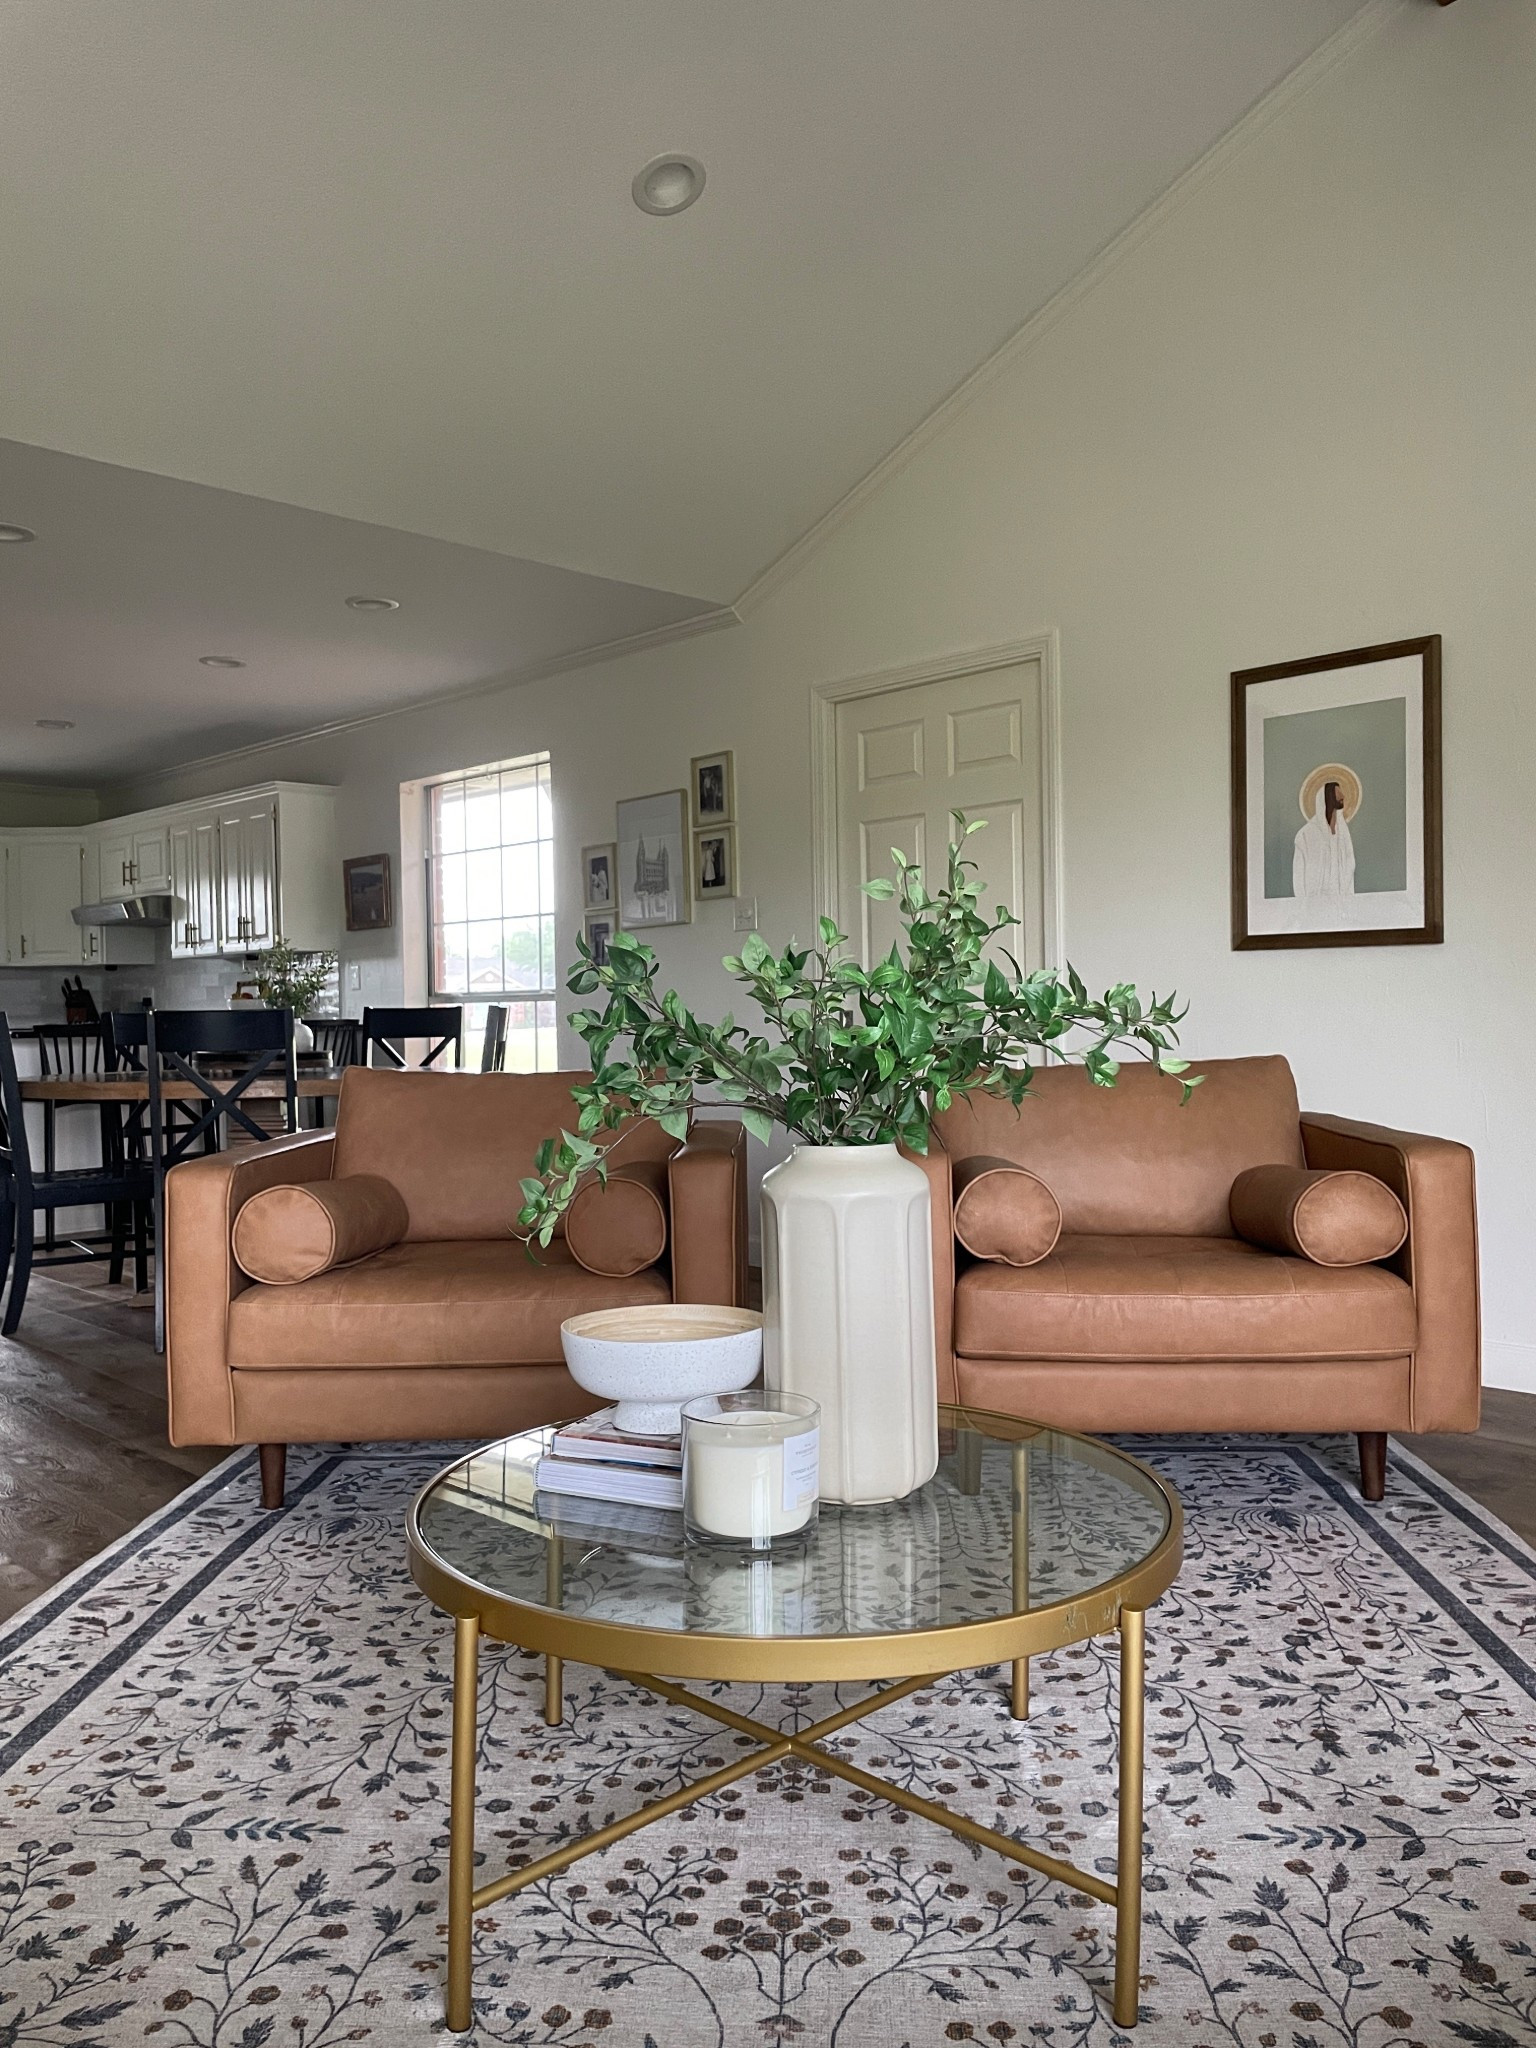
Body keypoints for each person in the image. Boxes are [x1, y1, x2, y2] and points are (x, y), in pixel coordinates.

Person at [1293, 779, 1356, 898]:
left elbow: (1350, 863)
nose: (1342, 796)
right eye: (1337, 793)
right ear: (1328, 798)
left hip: (1341, 899)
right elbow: (1299, 876)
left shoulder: (1343, 832)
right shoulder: (1305, 835)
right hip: (1315, 901)